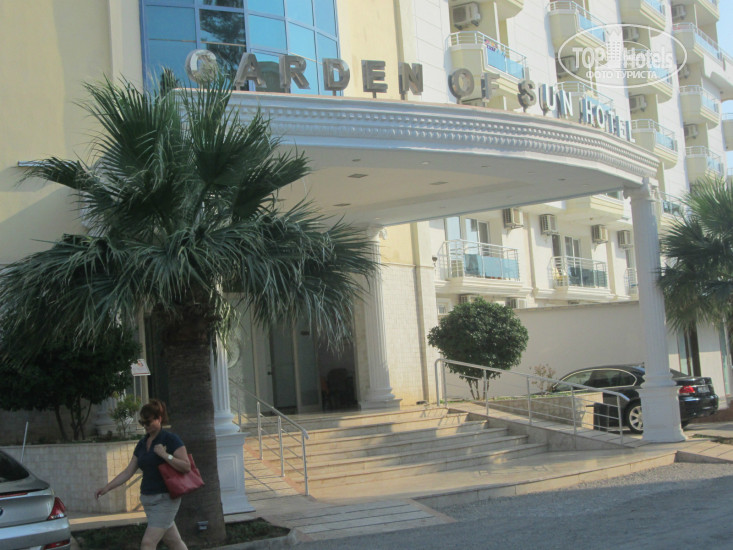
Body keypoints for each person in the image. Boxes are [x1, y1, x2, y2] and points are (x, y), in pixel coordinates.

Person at [96, 399, 190, 550]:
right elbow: (128, 472)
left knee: (148, 543)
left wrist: (165, 455)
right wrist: (107, 488)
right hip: (148, 500)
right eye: (142, 423)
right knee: (174, 541)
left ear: (159, 419)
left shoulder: (170, 439)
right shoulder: (142, 443)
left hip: (165, 499)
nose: (145, 426)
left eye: (148, 422)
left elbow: (186, 466)